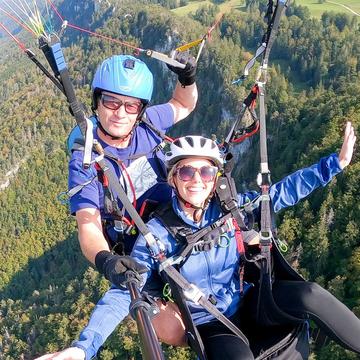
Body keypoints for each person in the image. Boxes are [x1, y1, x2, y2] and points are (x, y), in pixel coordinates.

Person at [36, 123, 359, 360]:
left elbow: (281, 192)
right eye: (187, 172)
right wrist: (84, 347)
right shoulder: (157, 234)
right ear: (172, 179)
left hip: (250, 300)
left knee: (311, 294)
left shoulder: (230, 208)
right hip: (211, 325)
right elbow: (125, 292)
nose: (197, 181)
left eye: (206, 173)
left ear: (216, 178)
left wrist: (335, 164)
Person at [68, 54, 198, 280]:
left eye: (131, 105)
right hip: (138, 251)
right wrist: (106, 261)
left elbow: (183, 104)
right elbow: (88, 224)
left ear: (140, 110)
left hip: (180, 224)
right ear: (96, 102)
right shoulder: (85, 160)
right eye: (111, 102)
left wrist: (186, 78)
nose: (120, 113)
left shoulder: (148, 123)